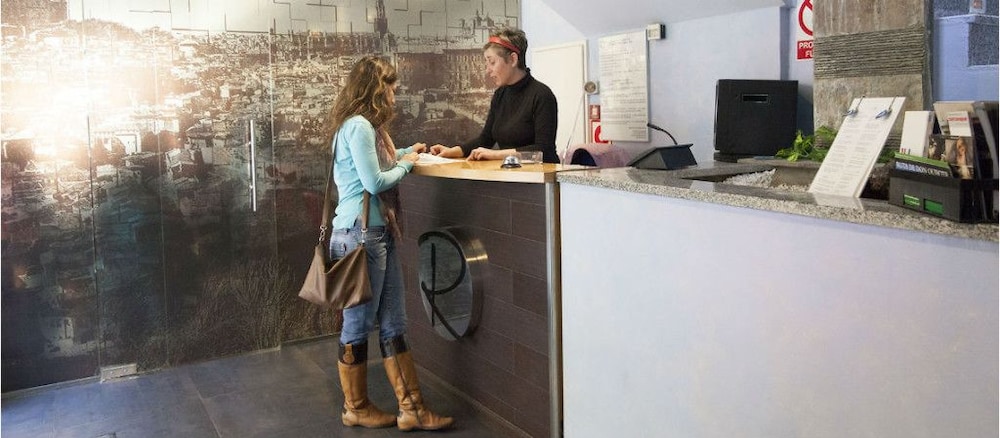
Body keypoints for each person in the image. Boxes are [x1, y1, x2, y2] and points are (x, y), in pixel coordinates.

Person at [324, 55, 454, 432]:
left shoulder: (354, 126)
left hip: (370, 235)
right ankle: (355, 407)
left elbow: (376, 164)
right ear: (376, 90)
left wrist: (407, 153)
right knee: (358, 322)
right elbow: (375, 182)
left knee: (394, 320)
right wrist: (408, 164)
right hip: (363, 235)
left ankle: (412, 408)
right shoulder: (361, 126)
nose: (395, 97)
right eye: (391, 89)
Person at [430, 27, 559, 163]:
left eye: (492, 62)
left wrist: (495, 154)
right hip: (511, 172)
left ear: (513, 59)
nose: (488, 70)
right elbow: (485, 139)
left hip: (541, 174)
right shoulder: (500, 94)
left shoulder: (542, 95)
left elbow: (543, 150)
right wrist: (453, 151)